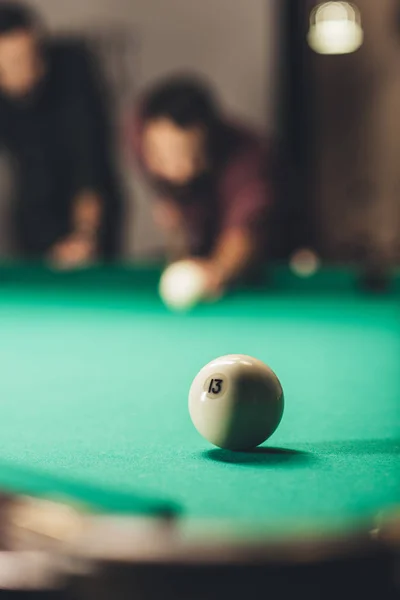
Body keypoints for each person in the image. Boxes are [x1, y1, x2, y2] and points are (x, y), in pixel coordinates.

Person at [0, 2, 123, 268]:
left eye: (28, 58)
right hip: (32, 208)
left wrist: (85, 236)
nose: (24, 72)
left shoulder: (74, 69)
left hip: (91, 205)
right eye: (9, 65)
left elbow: (90, 164)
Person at [131, 75, 278, 298]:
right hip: (200, 236)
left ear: (206, 146)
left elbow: (243, 233)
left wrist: (217, 270)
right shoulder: (137, 131)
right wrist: (170, 201)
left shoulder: (248, 164)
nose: (163, 164)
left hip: (269, 258)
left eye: (177, 155)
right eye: (157, 154)